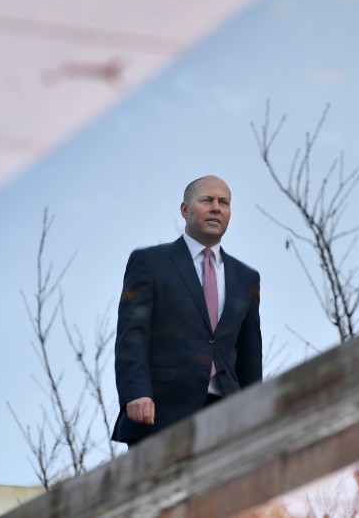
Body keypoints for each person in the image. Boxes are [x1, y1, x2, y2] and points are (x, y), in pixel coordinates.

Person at [111, 175, 263, 446]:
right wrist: (135, 392)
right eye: (207, 200)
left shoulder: (246, 277)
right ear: (184, 210)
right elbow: (131, 335)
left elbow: (250, 356)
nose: (216, 207)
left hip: (227, 418)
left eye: (224, 202)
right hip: (161, 413)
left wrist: (256, 414)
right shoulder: (150, 263)